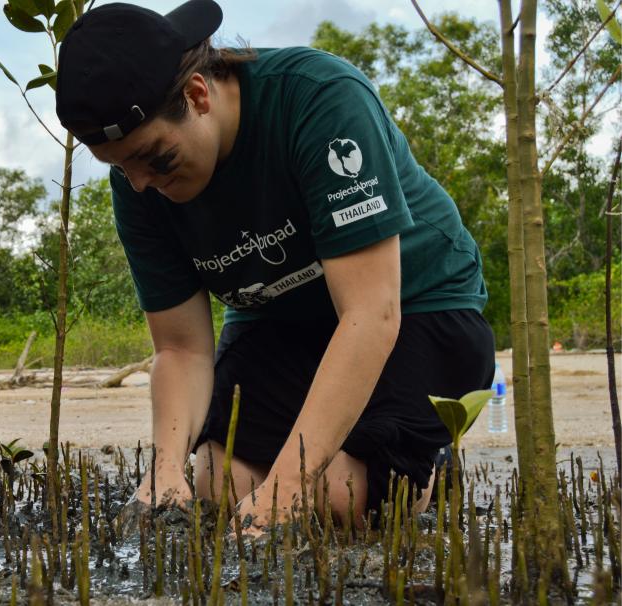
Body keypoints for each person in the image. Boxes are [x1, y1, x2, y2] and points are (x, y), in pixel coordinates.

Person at [54, 0, 494, 531]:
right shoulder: (137, 180)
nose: (144, 183)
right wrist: (166, 469)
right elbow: (181, 347)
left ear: (198, 95)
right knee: (220, 485)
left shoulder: (320, 100)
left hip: (416, 306)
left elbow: (369, 316)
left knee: (333, 498)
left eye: (156, 159)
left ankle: (428, 475)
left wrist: (287, 486)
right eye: (123, 168)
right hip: (278, 320)